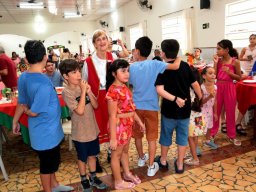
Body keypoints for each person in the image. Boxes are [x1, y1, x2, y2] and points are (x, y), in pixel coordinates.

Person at [12, 40, 73, 192]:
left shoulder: (24, 77)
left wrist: (15, 120)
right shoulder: (43, 83)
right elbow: (33, 111)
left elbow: (22, 101)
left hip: (42, 130)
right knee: (47, 165)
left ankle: (54, 184)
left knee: (51, 162)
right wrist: (26, 112)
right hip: (47, 133)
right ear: (46, 58)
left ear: (26, 59)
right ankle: (48, 189)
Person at [129, 36, 181, 177]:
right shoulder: (155, 64)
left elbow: (130, 85)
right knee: (151, 138)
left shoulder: (131, 67)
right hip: (152, 107)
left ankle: (141, 158)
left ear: (137, 51)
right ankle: (151, 166)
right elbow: (175, 66)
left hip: (136, 107)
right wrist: (179, 57)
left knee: (137, 135)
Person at [59, 59, 107, 191]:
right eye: (74, 72)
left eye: (79, 71)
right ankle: (84, 179)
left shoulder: (84, 87)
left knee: (93, 155)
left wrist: (89, 92)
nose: (79, 75)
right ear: (65, 76)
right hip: (80, 133)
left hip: (92, 128)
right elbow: (79, 111)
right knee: (82, 158)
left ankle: (93, 177)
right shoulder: (67, 92)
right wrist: (83, 91)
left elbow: (96, 105)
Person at [154, 39, 202, 174]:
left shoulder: (162, 68)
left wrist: (174, 99)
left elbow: (160, 89)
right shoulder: (186, 66)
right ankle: (180, 164)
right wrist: (200, 97)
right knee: (182, 136)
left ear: (162, 53)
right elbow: (195, 85)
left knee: (165, 135)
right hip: (185, 110)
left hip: (168, 110)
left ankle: (163, 161)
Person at [105, 59, 145, 190]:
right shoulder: (113, 91)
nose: (127, 73)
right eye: (123, 71)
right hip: (118, 126)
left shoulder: (124, 87)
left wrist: (139, 122)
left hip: (128, 125)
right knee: (116, 155)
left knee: (125, 151)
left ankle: (127, 173)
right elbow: (112, 115)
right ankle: (118, 181)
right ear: (113, 74)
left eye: (128, 70)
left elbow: (131, 109)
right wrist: (112, 138)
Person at [82, 29, 117, 170]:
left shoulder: (113, 57)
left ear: (108, 41)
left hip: (112, 97)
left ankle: (111, 152)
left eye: (104, 38)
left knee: (112, 123)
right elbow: (84, 81)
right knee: (96, 126)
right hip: (96, 98)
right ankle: (94, 157)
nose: (102, 42)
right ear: (94, 44)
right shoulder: (88, 61)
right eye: (98, 40)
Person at [211, 39, 242, 146]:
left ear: (227, 49)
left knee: (230, 112)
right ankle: (212, 134)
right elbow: (213, 75)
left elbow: (239, 78)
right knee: (215, 111)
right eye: (217, 49)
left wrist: (229, 73)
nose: (217, 51)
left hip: (230, 87)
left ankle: (232, 135)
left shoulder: (235, 62)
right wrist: (215, 64)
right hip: (218, 87)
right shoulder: (218, 61)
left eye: (219, 49)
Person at [235, 34, 256, 135]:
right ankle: (240, 120)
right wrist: (247, 59)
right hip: (247, 69)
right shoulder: (245, 48)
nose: (252, 40)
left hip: (254, 69)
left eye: (254, 38)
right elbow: (239, 58)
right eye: (250, 38)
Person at [184, 69, 206, 166]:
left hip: (191, 117)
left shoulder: (187, 90)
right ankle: (194, 153)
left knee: (190, 137)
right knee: (195, 136)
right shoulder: (199, 89)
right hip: (199, 116)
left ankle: (195, 158)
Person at [201, 67, 218, 150]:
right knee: (199, 127)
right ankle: (195, 145)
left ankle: (207, 141)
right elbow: (200, 103)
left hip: (210, 111)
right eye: (210, 73)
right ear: (204, 76)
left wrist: (215, 113)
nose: (213, 75)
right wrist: (209, 97)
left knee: (209, 127)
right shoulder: (201, 88)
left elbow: (215, 101)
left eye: (214, 73)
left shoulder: (215, 87)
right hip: (201, 111)